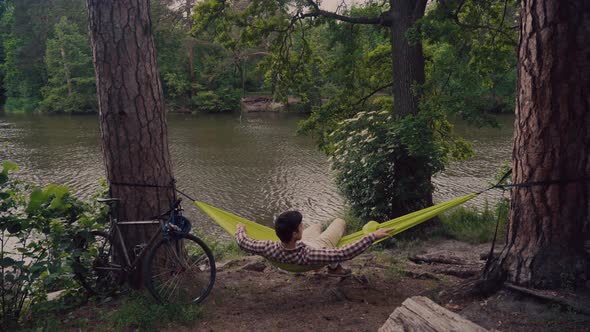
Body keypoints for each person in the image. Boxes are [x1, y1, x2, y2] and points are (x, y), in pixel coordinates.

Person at [235, 211, 394, 276]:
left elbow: (243, 242)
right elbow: (344, 252)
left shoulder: (268, 247)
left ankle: (319, 266)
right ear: (296, 233)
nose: (302, 225)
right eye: (300, 225)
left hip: (296, 248)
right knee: (340, 221)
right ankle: (334, 268)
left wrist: (240, 229)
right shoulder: (310, 254)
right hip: (317, 247)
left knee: (317, 225)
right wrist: (371, 236)